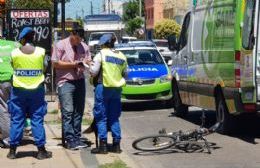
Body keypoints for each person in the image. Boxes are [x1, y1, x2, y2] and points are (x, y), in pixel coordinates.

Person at [7, 27, 52, 160]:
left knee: (17, 119)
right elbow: (44, 67)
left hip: (18, 91)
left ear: (22, 38)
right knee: (37, 119)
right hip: (36, 90)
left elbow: (13, 67)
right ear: (33, 37)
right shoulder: (41, 52)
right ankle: (41, 151)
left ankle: (12, 151)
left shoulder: (14, 53)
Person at [51, 29, 91, 150]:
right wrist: (74, 64)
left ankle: (77, 137)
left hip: (79, 80)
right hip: (65, 81)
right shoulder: (60, 45)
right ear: (72, 35)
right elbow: (55, 63)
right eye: (77, 39)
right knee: (68, 111)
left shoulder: (84, 47)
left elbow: (88, 60)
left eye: (80, 40)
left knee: (79, 111)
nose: (78, 42)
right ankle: (69, 139)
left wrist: (86, 63)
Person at [88, 34, 127, 154]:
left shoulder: (101, 55)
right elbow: (126, 73)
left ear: (104, 44)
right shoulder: (121, 56)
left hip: (103, 88)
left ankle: (103, 146)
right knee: (114, 117)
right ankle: (116, 145)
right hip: (117, 89)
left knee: (101, 117)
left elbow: (93, 72)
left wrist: (89, 66)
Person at [0, 39, 20, 148]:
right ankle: (17, 136)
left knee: (3, 109)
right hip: (16, 79)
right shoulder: (14, 44)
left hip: (1, 80)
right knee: (16, 108)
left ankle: (8, 139)